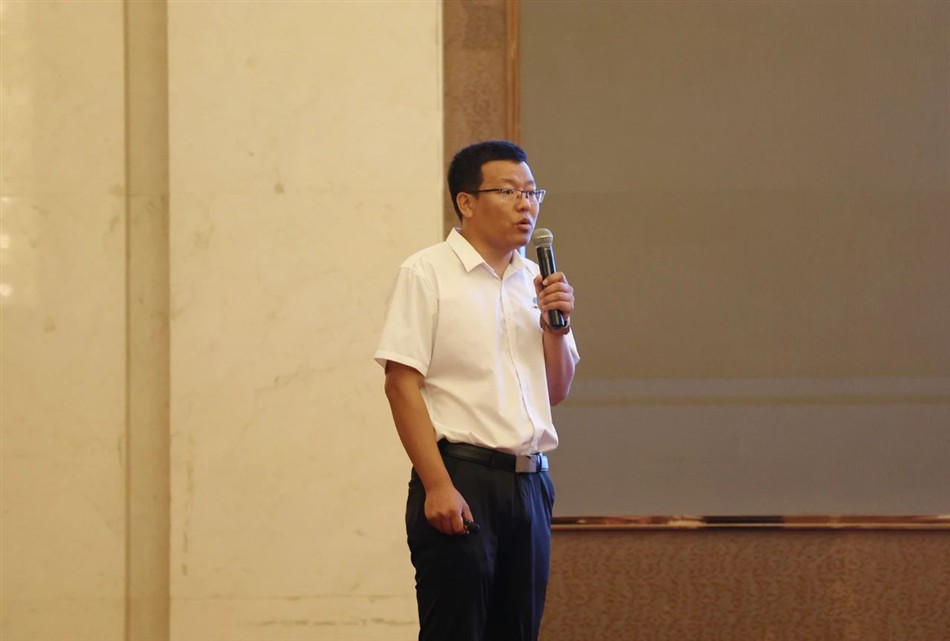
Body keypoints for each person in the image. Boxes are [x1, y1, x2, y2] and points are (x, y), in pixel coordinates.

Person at [375, 140, 580, 641]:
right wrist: (438, 485)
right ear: (466, 202)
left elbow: (555, 391)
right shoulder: (427, 273)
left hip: (531, 483)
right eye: (509, 191)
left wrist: (556, 329)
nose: (526, 205)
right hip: (462, 478)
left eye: (532, 193)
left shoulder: (537, 280)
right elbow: (401, 384)